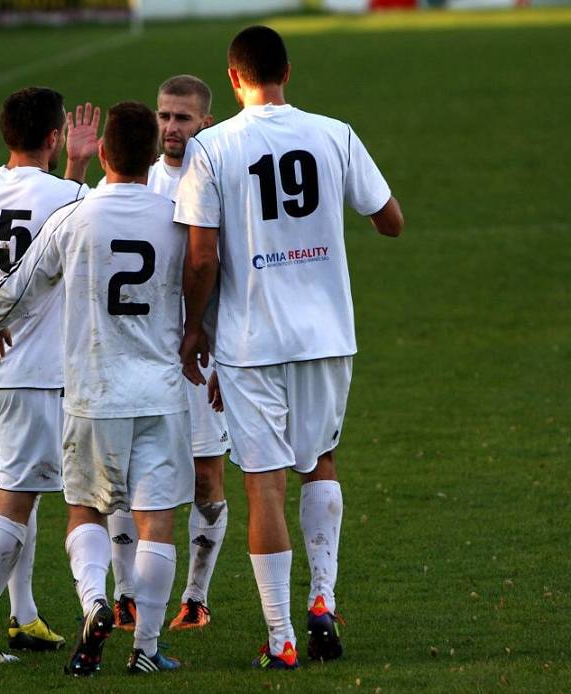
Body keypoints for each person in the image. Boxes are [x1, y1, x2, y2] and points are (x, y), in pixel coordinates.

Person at [175, 25, 404, 669]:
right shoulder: (334, 133)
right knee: (321, 463)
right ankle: (323, 601)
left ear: (232, 77)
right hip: (327, 332)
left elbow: (200, 256)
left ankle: (280, 640)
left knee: (265, 487)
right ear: (288, 71)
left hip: (252, 340)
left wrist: (195, 327)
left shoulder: (212, 146)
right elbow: (391, 221)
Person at [0, 101, 192, 676]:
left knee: (84, 512)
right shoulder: (175, 216)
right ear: (153, 156)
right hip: (160, 395)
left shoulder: (74, 218)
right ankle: (145, 649)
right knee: (157, 522)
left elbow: (17, 287)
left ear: (101, 155)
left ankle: (96, 604)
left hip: (93, 395)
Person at [0, 87, 100, 665]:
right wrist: (79, 168)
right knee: (16, 500)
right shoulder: (74, 197)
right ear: (55, 137)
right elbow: (67, 230)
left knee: (18, 492)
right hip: (32, 375)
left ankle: (24, 615)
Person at [99, 75, 231, 633]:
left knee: (206, 476)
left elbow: (226, 268)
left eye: (182, 117)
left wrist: (219, 347)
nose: (171, 127)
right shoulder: (138, 180)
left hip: (201, 354)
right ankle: (125, 594)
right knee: (128, 477)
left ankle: (195, 597)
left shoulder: (220, 178)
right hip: (145, 355)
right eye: (163, 116)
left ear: (205, 121)